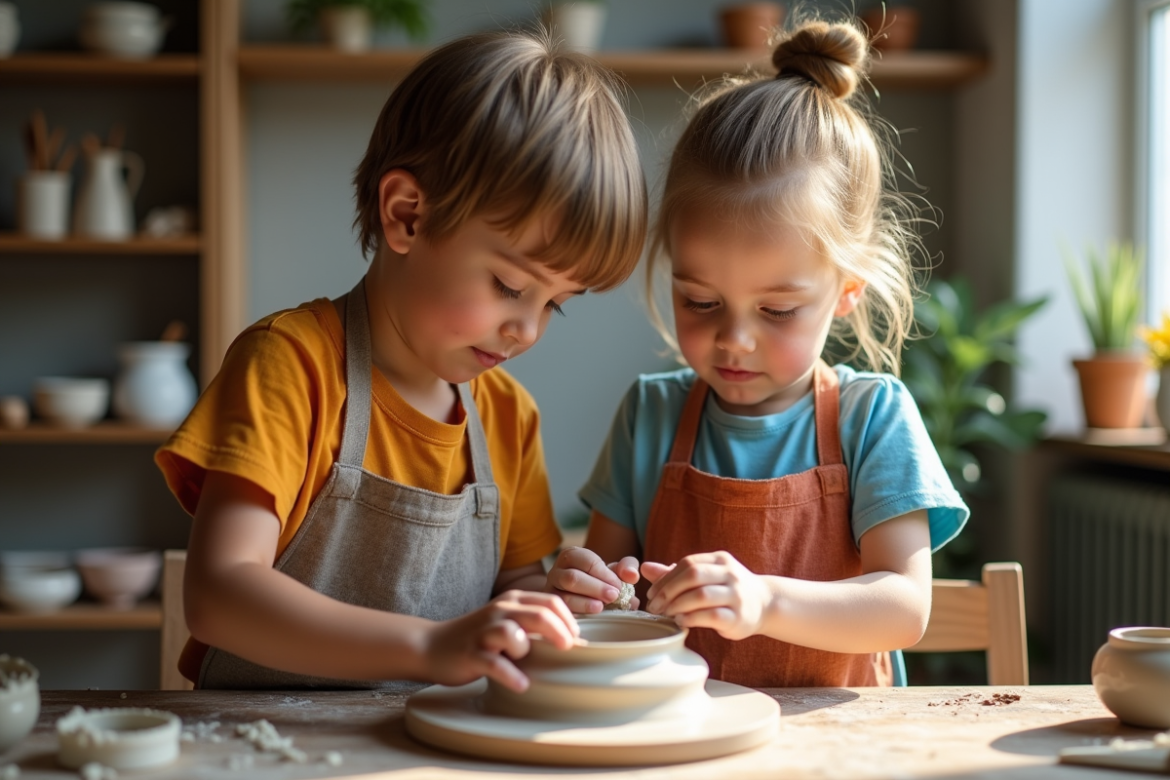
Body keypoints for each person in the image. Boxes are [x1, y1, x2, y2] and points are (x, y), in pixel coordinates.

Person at [155, 30, 647, 691]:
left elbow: (515, 587)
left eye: (556, 304)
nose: (526, 329)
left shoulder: (508, 418)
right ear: (407, 215)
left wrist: (556, 601)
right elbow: (219, 595)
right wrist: (427, 647)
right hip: (263, 745)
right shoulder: (290, 367)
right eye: (510, 286)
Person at [547, 18, 968, 688]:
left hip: (840, 748)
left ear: (846, 293)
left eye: (776, 310)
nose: (733, 339)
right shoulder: (649, 416)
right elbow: (606, 600)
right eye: (701, 302)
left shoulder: (872, 419)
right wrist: (579, 590)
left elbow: (903, 607)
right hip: (680, 734)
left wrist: (765, 601)